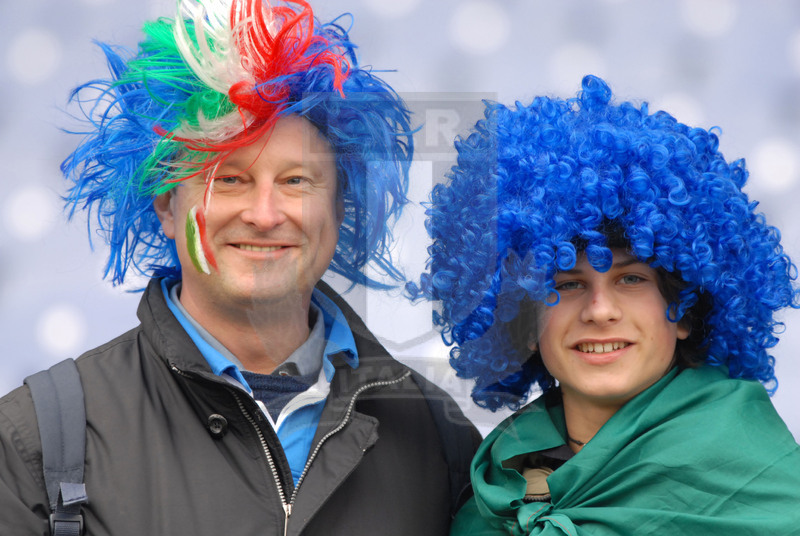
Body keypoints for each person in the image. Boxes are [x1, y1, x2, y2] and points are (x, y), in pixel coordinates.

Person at [0, 1, 480, 534]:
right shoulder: (38, 438)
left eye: (296, 181)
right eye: (228, 179)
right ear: (165, 205)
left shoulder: (439, 435)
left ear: (339, 210)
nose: (265, 214)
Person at [411, 75, 800, 534]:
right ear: (525, 322)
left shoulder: (760, 486)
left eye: (631, 278)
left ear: (686, 310)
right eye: (568, 284)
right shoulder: (489, 495)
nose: (599, 310)